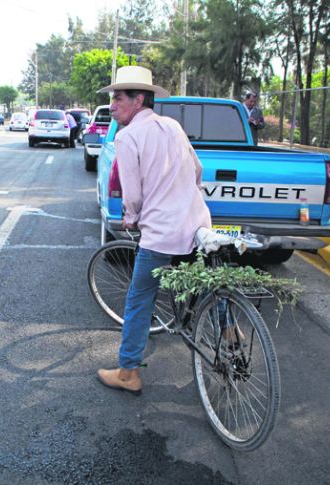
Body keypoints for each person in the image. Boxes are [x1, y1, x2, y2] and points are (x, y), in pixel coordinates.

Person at [95, 66, 213, 395]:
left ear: (139, 100)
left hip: (162, 235)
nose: (113, 105)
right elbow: (198, 169)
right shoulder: (173, 126)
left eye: (118, 98)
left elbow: (132, 194)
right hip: (198, 225)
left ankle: (128, 372)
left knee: (139, 299)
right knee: (204, 283)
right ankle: (229, 327)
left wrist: (131, 216)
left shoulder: (127, 136)